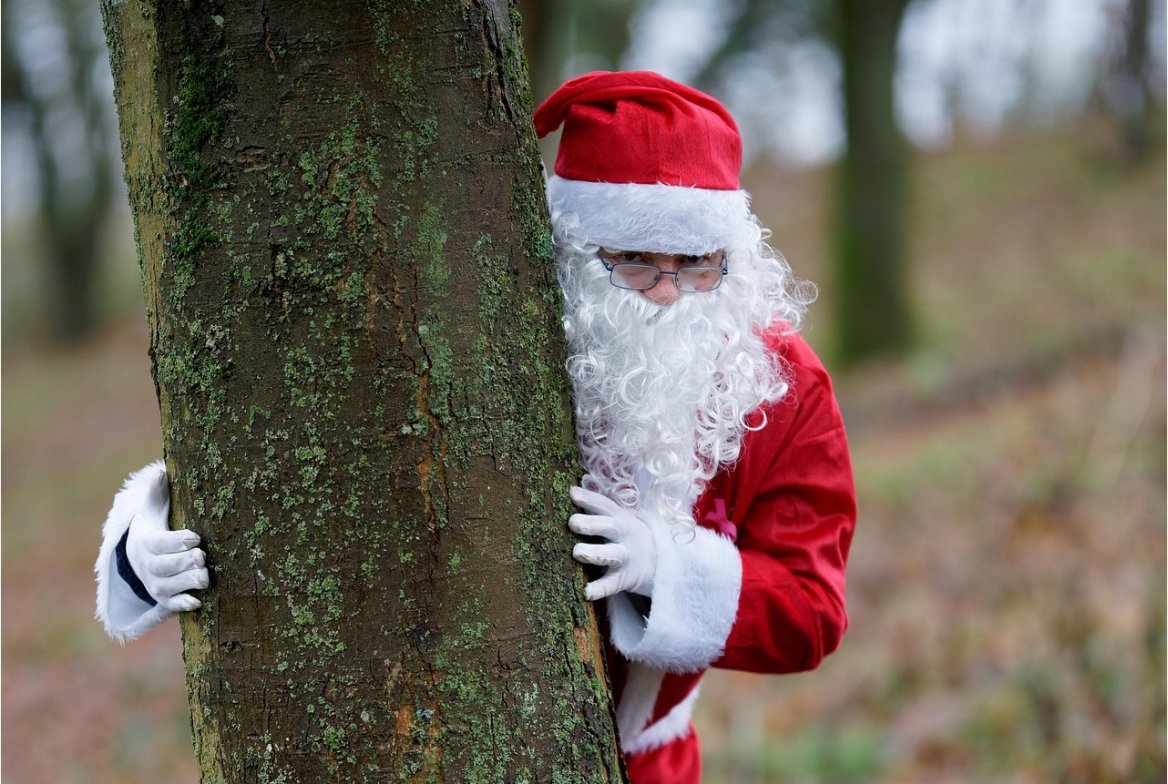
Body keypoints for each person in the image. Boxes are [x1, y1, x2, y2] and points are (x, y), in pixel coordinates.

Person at [95, 70, 856, 784]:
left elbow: (813, 610)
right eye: (633, 262)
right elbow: (315, 445)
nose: (669, 295)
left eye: (698, 264)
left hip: (650, 763)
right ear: (575, 253)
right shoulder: (496, 335)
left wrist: (670, 569)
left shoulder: (781, 382)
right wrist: (147, 543)